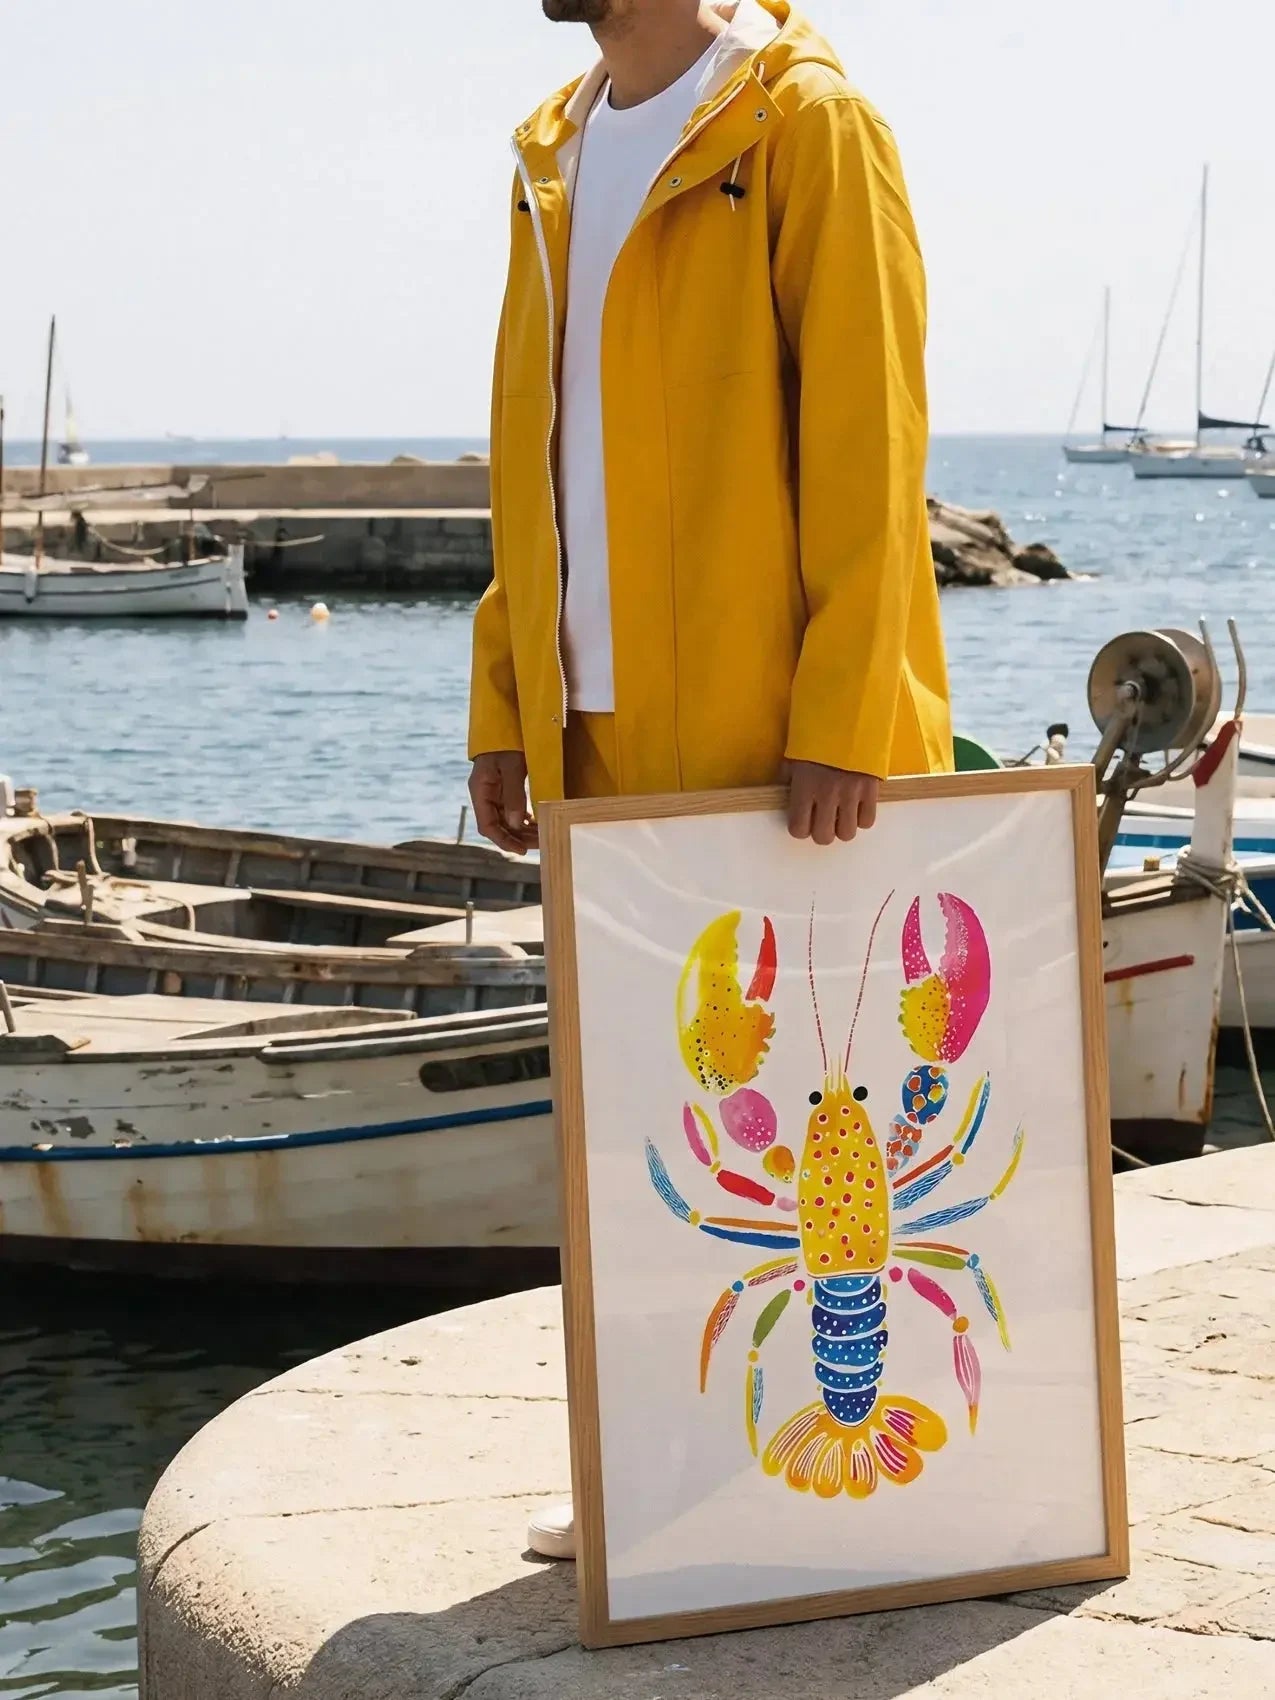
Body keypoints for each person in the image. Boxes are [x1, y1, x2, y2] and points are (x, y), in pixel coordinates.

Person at [468, 0, 952, 1557]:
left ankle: (892, 1489)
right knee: (649, 1135)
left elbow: (876, 438)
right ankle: (659, 1478)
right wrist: (503, 696)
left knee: (841, 1110)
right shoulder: (553, 149)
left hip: (779, 753)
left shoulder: (804, 121)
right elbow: (525, 460)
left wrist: (848, 711)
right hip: (600, 746)